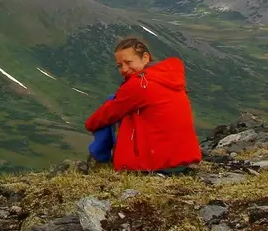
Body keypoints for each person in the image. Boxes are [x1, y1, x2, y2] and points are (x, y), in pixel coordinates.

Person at [84, 37, 202, 173]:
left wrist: (89, 125)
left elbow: (105, 115)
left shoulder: (139, 84)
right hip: (183, 161)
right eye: (120, 65)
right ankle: (101, 153)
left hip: (156, 164)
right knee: (116, 104)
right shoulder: (167, 77)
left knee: (111, 106)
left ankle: (100, 156)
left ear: (145, 57)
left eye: (128, 62)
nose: (124, 69)